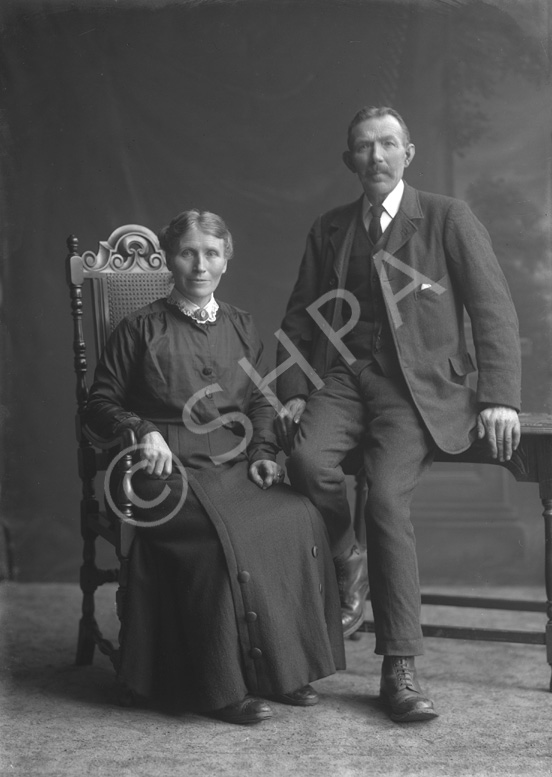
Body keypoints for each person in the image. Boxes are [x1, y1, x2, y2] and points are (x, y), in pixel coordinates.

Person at [275, 106, 521, 722]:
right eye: (364, 147)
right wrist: (296, 388)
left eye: (388, 144)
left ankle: (400, 667)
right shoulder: (330, 228)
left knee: (385, 499)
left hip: (417, 390)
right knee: (304, 460)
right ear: (349, 160)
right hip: (342, 380)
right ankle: (345, 556)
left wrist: (499, 397)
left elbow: (493, 308)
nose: (377, 156)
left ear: (408, 154)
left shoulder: (446, 217)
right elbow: (301, 317)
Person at [84, 209, 345, 725]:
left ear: (227, 259)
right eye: (187, 253)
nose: (199, 265)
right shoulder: (139, 328)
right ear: (169, 260)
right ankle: (219, 685)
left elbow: (261, 403)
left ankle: (281, 670)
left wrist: (265, 453)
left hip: (232, 460)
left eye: (210, 253)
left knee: (298, 516)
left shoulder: (244, 325)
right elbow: (98, 403)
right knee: (216, 539)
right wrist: (143, 430)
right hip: (163, 471)